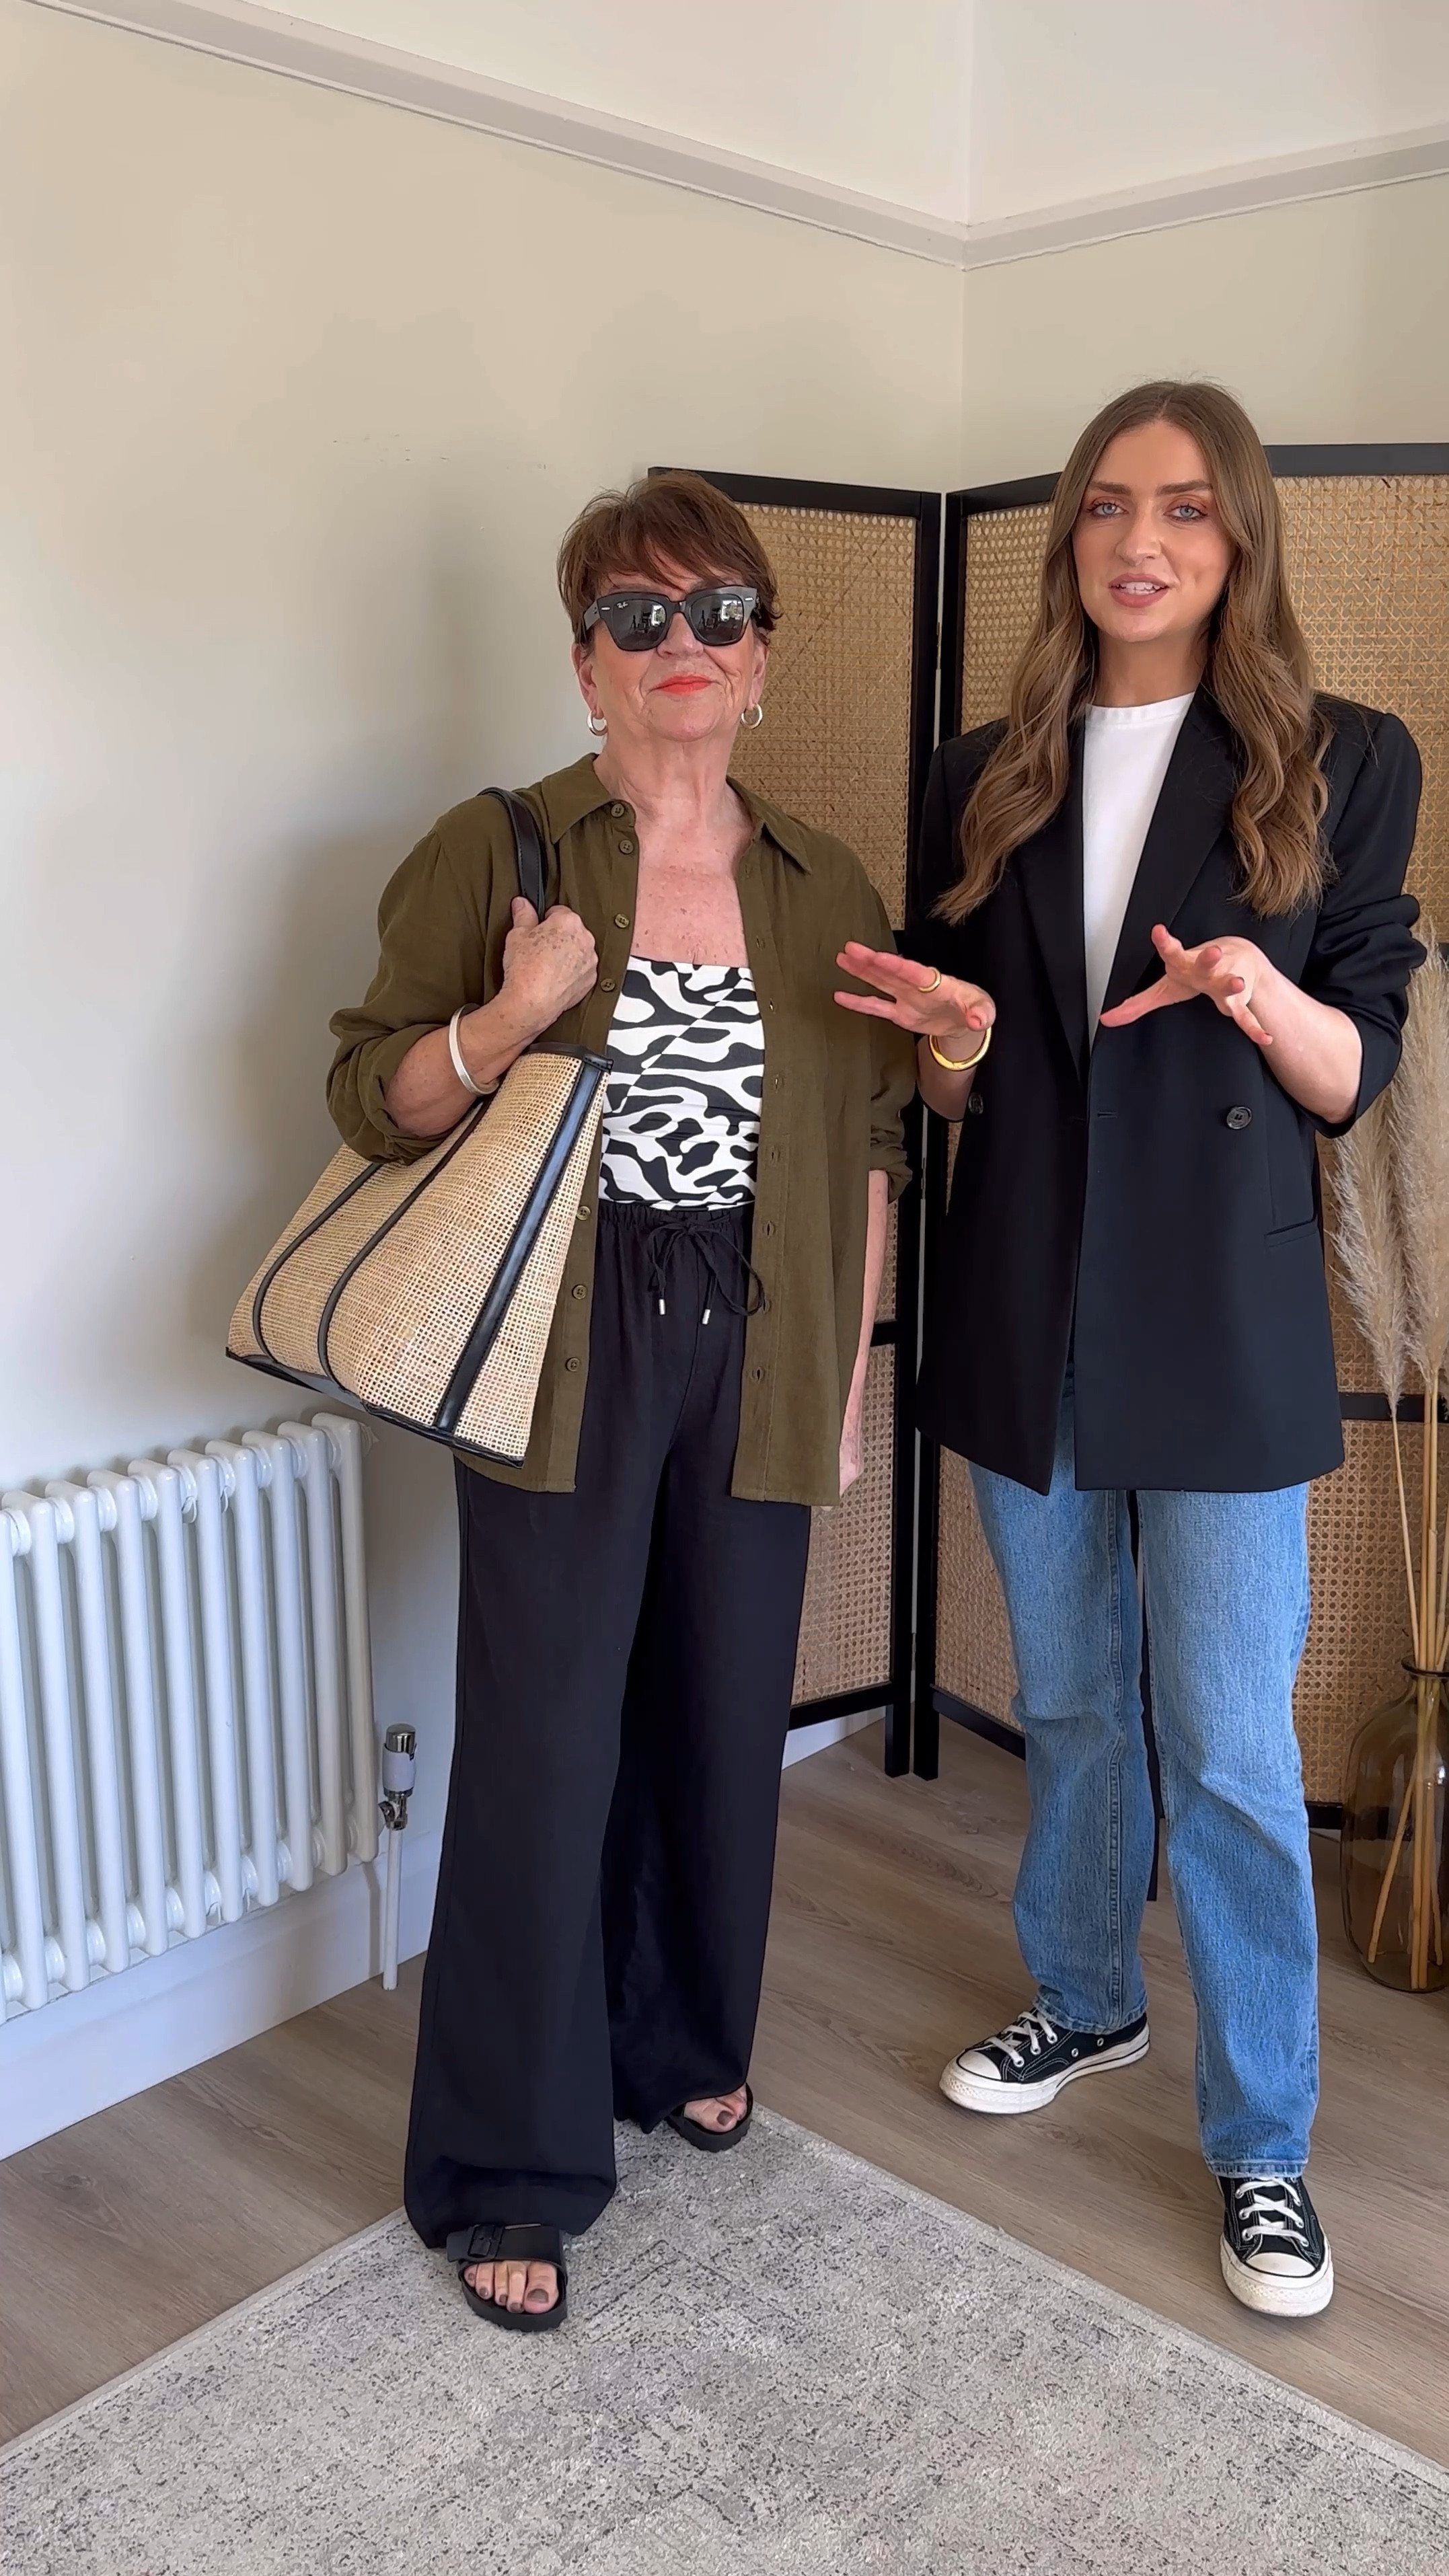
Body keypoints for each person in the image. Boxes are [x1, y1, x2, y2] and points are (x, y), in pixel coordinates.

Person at [835, 381, 1422, 2319]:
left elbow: (1349, 1077)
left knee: (1232, 1754)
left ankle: (1262, 2143)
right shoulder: (980, 763)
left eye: (1179, 507)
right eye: (1103, 506)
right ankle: (1085, 1999)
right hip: (1023, 1297)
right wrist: (950, 1043)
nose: (1135, 540)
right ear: (1067, 539)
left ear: (1238, 536)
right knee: (1074, 1702)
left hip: (1219, 1318)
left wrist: (1260, 994)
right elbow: (959, 1078)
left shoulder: (1340, 759)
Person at [329, 470, 914, 2331]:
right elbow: (372, 1099)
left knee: (717, 1711)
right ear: (584, 657)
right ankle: (506, 2159)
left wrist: (834, 1384)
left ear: (763, 652)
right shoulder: (502, 853)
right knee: (544, 1738)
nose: (685, 646)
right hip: (564, 1334)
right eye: (639, 616)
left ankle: (674, 2039)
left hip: (759, 1323)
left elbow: (872, 1150)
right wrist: (508, 1018)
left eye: (718, 609)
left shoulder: (824, 881)